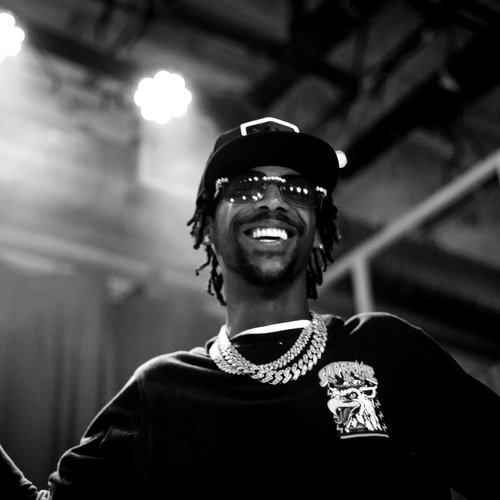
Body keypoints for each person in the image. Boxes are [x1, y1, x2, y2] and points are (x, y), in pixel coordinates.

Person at [2, 116, 500, 499]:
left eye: (297, 189)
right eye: (245, 187)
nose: (274, 201)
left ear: (317, 229)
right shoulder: (160, 393)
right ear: (208, 229)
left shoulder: (387, 350)